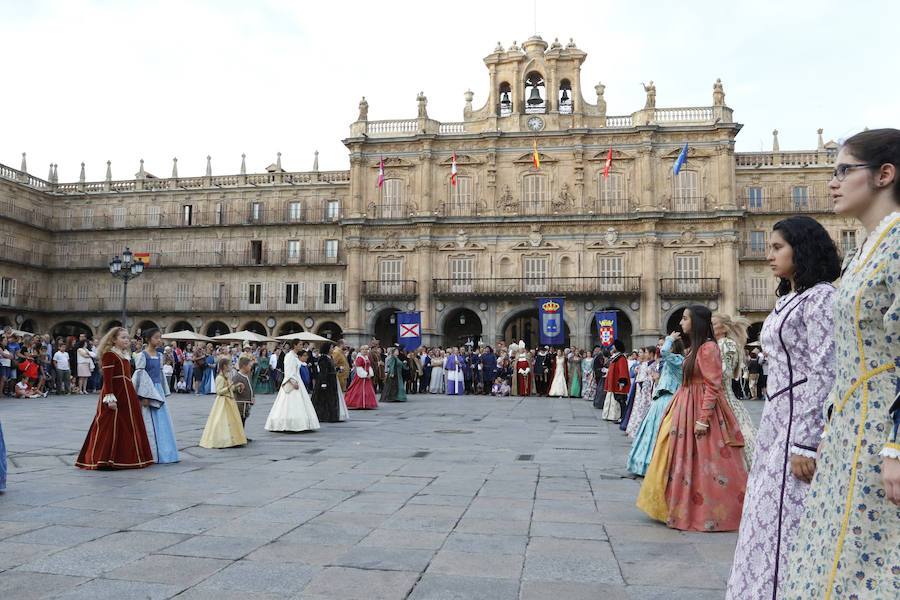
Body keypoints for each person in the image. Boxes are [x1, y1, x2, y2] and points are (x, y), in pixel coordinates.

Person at [784, 129, 899, 599]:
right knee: (838, 555)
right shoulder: (863, 252)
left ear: (885, 175)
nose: (831, 182)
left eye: (843, 171)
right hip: (850, 431)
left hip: (881, 434)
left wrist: (896, 448)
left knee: (873, 558)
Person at [727, 215, 840, 599]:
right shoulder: (790, 298)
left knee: (785, 513)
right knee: (764, 512)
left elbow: (824, 371)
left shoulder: (822, 298)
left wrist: (806, 443)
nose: (769, 255)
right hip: (778, 418)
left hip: (797, 423)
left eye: (777, 247)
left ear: (802, 249)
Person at [640, 306, 748, 531]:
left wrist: (703, 418)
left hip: (697, 408)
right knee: (683, 457)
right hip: (685, 405)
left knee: (706, 461)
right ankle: (678, 506)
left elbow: (713, 385)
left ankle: (703, 512)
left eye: (685, 318)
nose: (681, 322)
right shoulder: (695, 348)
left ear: (697, 322)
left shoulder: (708, 348)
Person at [75, 327, 153, 470]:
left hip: (127, 393)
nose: (127, 340)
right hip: (116, 393)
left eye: (128, 338)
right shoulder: (110, 355)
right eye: (123, 337)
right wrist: (110, 397)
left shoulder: (125, 355)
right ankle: (104, 458)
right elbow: (108, 379)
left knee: (129, 425)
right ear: (113, 340)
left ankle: (126, 457)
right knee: (110, 424)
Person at [629, 334, 685, 478]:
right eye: (659, 345)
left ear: (673, 347)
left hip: (669, 400)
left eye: (662, 344)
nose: (660, 347)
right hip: (661, 399)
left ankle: (658, 466)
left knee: (660, 433)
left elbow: (665, 352)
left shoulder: (678, 359)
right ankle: (647, 463)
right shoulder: (671, 362)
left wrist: (670, 339)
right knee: (651, 432)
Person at [712, 313, 757, 469]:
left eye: (714, 323)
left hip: (723, 399)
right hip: (722, 396)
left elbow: (724, 373)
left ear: (724, 328)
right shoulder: (723, 343)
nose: (710, 326)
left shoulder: (726, 344)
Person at [132, 329, 179, 464]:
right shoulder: (142, 355)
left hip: (157, 390)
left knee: (163, 421)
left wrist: (164, 391)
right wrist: (143, 395)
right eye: (156, 338)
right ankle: (151, 452)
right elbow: (140, 375)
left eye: (160, 338)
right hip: (148, 390)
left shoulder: (159, 355)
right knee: (148, 420)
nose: (159, 340)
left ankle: (166, 452)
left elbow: (160, 374)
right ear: (148, 339)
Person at [265, 340, 320, 432]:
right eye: (300, 345)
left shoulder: (295, 356)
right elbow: (288, 371)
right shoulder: (289, 356)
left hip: (297, 379)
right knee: (288, 403)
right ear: (295, 345)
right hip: (293, 381)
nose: (302, 346)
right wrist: (292, 381)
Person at [199, 357, 248, 448]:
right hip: (222, 402)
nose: (231, 366)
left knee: (232, 421)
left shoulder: (227, 376)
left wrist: (237, 386)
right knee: (221, 420)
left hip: (230, 401)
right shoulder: (219, 378)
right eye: (229, 365)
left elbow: (231, 388)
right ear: (224, 366)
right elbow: (219, 391)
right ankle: (223, 439)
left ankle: (233, 439)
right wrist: (229, 387)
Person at [626, 349, 657, 439]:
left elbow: (651, 376)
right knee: (638, 408)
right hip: (641, 389)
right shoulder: (643, 364)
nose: (642, 354)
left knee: (643, 409)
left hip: (647, 390)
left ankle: (639, 431)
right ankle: (635, 429)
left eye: (645, 352)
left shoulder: (652, 364)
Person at [312, 342, 343, 420]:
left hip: (331, 380)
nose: (333, 349)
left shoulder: (330, 357)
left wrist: (338, 369)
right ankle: (324, 415)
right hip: (326, 381)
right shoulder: (323, 358)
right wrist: (323, 383)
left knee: (330, 398)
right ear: (327, 349)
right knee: (323, 399)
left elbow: (330, 369)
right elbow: (323, 372)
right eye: (332, 348)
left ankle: (330, 415)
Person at [602, 340, 630, 422]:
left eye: (613, 346)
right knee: (615, 399)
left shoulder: (621, 358)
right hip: (612, 383)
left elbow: (623, 371)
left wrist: (622, 382)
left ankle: (621, 417)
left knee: (620, 400)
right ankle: (612, 416)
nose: (612, 347)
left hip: (618, 383)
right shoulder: (615, 358)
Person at [344, 344, 378, 409]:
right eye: (363, 349)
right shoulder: (359, 358)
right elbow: (359, 368)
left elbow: (369, 366)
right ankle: (358, 403)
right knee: (358, 390)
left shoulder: (366, 357)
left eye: (366, 349)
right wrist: (365, 375)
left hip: (367, 377)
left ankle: (366, 403)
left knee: (367, 391)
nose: (365, 351)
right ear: (361, 350)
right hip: (360, 377)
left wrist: (370, 373)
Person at [232, 356, 256, 429]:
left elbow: (250, 387)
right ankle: (239, 436)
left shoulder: (248, 375)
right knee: (240, 420)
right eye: (249, 366)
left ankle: (242, 435)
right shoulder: (237, 376)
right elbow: (233, 388)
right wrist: (238, 387)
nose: (250, 367)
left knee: (244, 419)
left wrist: (253, 397)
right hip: (240, 403)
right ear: (244, 366)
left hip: (246, 402)